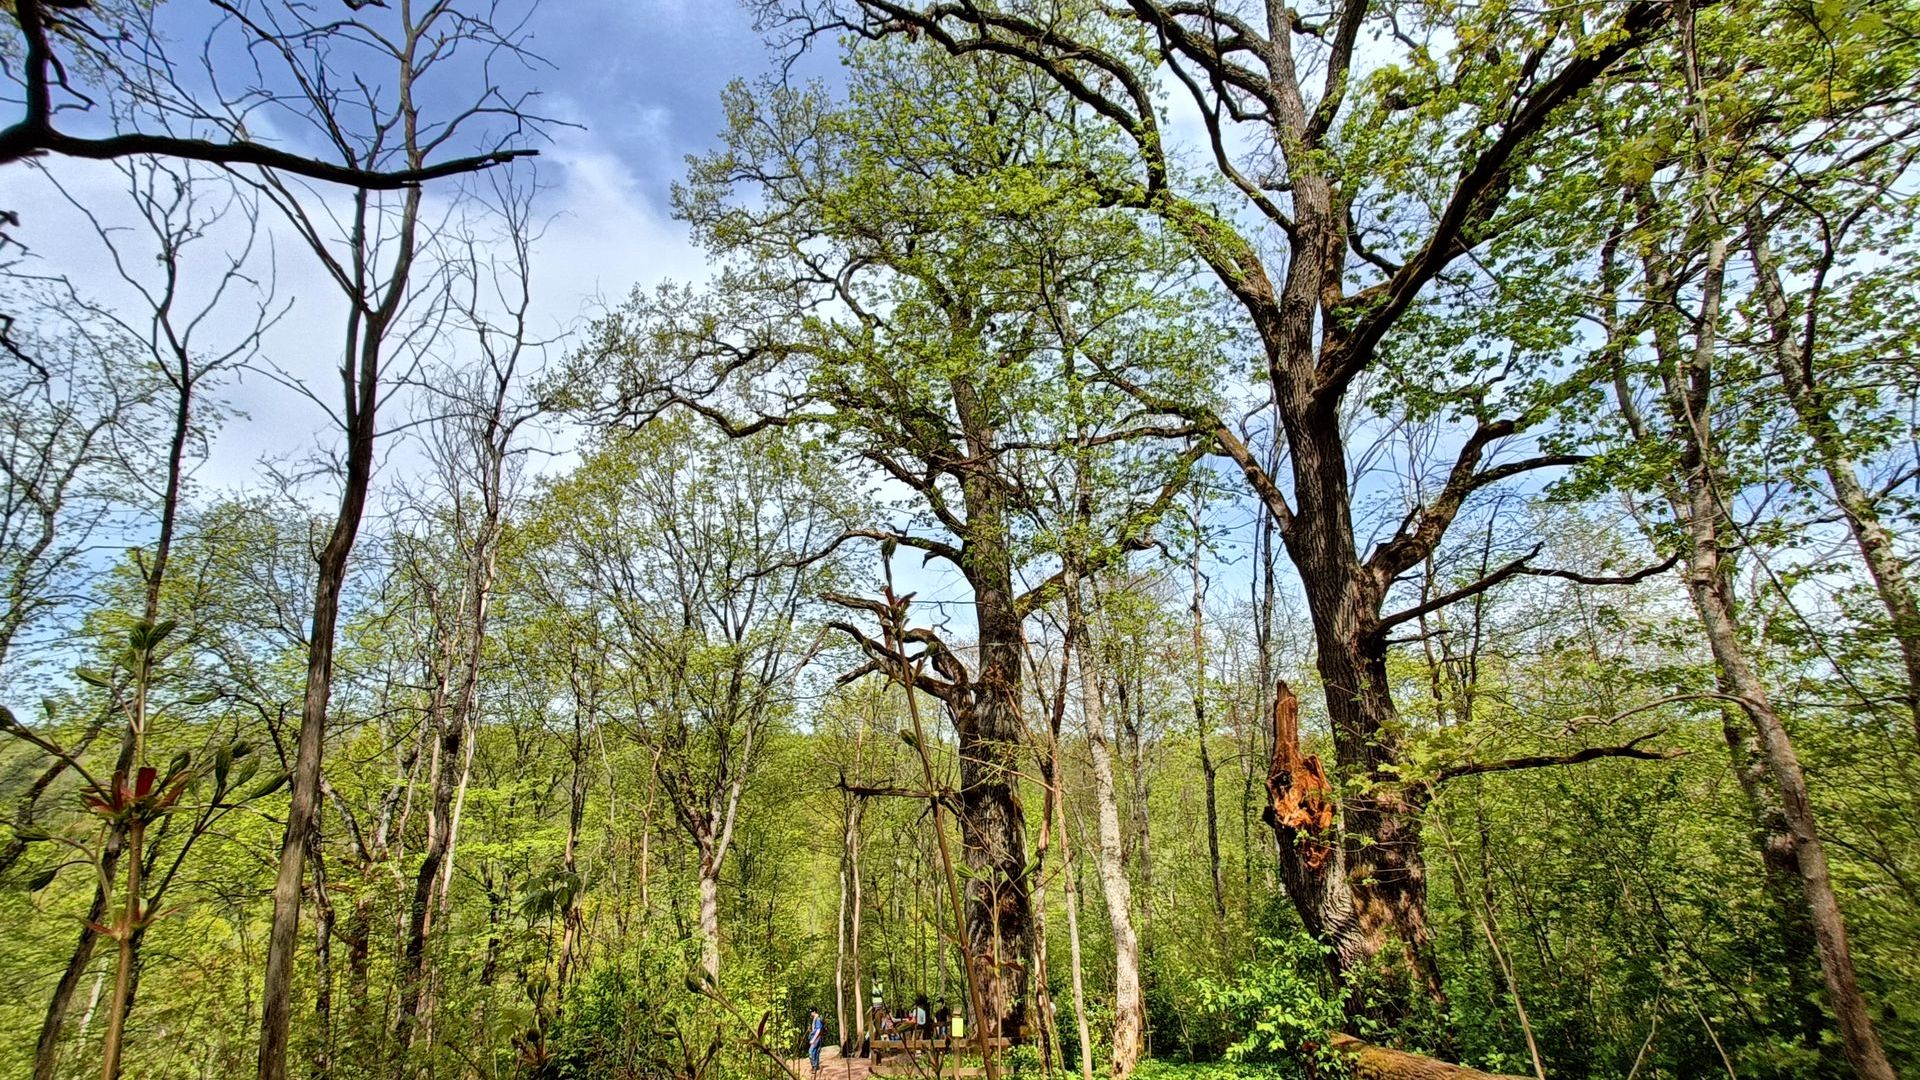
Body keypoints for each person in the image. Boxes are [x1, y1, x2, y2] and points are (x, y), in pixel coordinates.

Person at [807, 1008, 825, 1075]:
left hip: (816, 1038)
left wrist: (813, 1039)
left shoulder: (818, 1019)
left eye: (811, 1012)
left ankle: (814, 1067)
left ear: (814, 1012)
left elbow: (818, 1030)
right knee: (816, 1052)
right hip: (817, 1038)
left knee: (811, 1052)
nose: (810, 1013)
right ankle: (816, 1066)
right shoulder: (815, 1019)